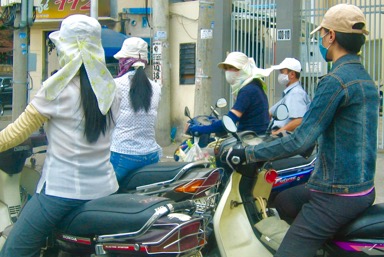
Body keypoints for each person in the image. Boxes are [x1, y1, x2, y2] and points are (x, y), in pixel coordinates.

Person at [227, 3, 378, 257]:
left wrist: (249, 154)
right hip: (361, 187)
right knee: (284, 201)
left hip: (337, 194)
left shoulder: (335, 81)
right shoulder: (364, 78)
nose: (320, 40)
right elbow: (314, 135)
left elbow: (300, 140)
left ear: (331, 36)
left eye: (322, 34)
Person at [0, 14, 121, 257]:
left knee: (13, 251)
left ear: (66, 49)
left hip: (63, 192)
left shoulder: (57, 89)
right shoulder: (111, 90)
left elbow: (14, 134)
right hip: (105, 187)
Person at [110, 37, 162, 184]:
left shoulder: (115, 85)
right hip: (151, 155)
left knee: (103, 196)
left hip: (122, 154)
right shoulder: (156, 88)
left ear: (124, 61)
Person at [190, 51, 272, 136]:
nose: (227, 71)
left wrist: (199, 129)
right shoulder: (255, 85)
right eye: (226, 68)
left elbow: (229, 121)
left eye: (231, 67)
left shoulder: (248, 90)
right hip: (256, 136)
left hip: (250, 139)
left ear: (242, 69)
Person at [269, 58, 311, 135]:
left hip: (285, 139)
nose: (280, 75)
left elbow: (298, 120)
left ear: (292, 74)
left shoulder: (295, 93)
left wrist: (278, 132)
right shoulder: (290, 93)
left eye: (282, 72)